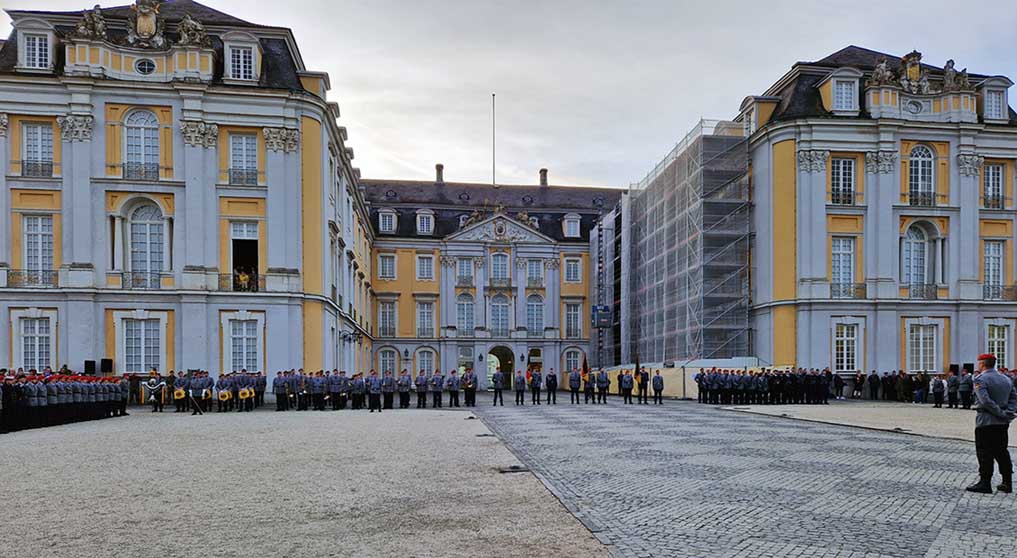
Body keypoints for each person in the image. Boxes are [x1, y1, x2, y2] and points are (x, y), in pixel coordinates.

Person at [965, 354, 1016, 494]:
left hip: (986, 421)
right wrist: (1008, 413)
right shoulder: (1006, 379)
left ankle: (985, 483)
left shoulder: (980, 379)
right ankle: (1007, 482)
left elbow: (985, 401)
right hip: (1002, 422)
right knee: (1002, 451)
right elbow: (1014, 397)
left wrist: (999, 412)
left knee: (984, 452)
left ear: (982, 364)